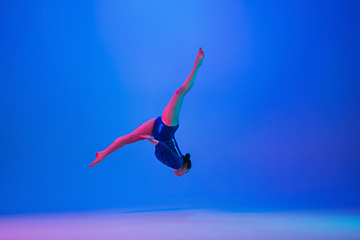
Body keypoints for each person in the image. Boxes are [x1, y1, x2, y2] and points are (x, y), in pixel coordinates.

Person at [89, 48, 205, 177]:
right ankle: (197, 65)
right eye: (186, 172)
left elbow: (165, 150)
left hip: (156, 127)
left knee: (128, 138)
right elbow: (166, 149)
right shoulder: (177, 164)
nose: (183, 174)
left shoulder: (173, 163)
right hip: (167, 126)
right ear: (185, 167)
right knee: (180, 93)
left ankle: (102, 154)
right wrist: (151, 140)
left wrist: (152, 137)